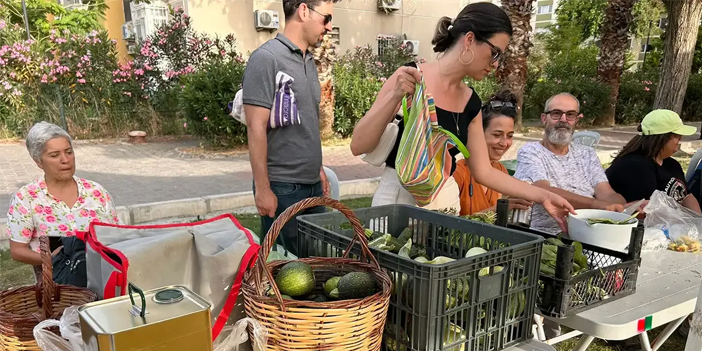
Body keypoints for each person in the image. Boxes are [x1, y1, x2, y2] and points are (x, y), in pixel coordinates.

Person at [349, 2, 574, 231]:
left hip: (443, 206)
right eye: (494, 53)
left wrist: (543, 196)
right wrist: (395, 95)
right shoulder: (410, 78)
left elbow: (484, 171)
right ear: (469, 40)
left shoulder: (471, 103)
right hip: (395, 206)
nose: (495, 64)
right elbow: (359, 145)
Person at [242, 0, 338, 256]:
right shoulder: (266, 59)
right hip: (283, 188)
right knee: (285, 271)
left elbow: (305, 121)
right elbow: (255, 127)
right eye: (326, 18)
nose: (329, 27)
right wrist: (263, 189)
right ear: (304, 10)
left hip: (312, 186)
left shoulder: (308, 62)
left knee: (318, 265)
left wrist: (317, 168)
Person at [5, 122, 119, 281]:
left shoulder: (96, 192)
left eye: (69, 152)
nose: (65, 160)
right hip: (59, 290)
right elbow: (17, 250)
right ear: (38, 161)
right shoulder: (27, 198)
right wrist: (49, 259)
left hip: (102, 283)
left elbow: (116, 238)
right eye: (54, 155)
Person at [514, 93, 633, 235]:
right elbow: (543, 190)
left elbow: (607, 193)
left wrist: (619, 206)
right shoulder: (531, 151)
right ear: (544, 118)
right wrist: (596, 205)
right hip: (546, 236)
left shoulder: (586, 153)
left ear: (576, 120)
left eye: (570, 115)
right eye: (556, 113)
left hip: (589, 232)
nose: (563, 120)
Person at [453, 90, 532, 215]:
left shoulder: (500, 170)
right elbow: (446, 227)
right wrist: (499, 209)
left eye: (509, 136)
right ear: (478, 132)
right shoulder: (458, 173)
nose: (504, 143)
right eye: (497, 135)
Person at [606, 109, 701, 213]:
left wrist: (697, 220)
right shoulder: (635, 167)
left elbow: (687, 196)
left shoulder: (672, 164)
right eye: (677, 136)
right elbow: (645, 210)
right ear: (662, 138)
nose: (680, 140)